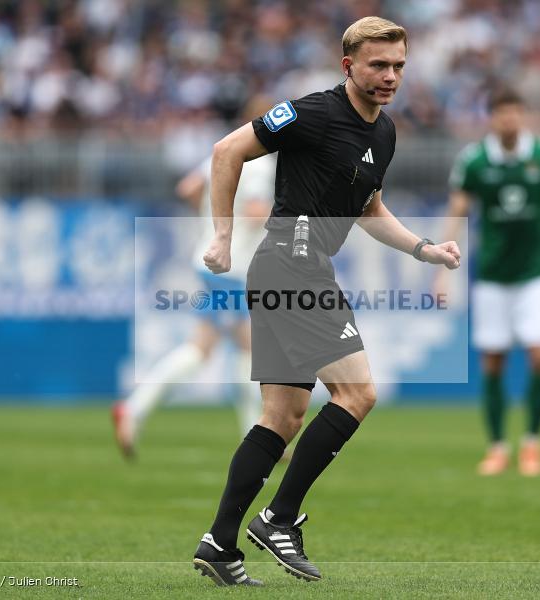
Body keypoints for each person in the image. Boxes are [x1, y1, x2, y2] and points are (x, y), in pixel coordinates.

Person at [190, 16, 461, 587]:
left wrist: (424, 249)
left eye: (399, 67)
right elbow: (226, 151)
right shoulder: (311, 112)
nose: (390, 77)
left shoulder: (384, 133)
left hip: (303, 266)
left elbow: (369, 211)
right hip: (291, 262)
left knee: (283, 416)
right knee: (358, 393)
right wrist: (220, 235)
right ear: (349, 66)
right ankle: (279, 518)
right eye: (378, 65)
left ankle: (219, 542)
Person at [434, 88, 540, 477]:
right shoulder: (474, 161)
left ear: (523, 116)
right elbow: (458, 208)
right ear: (491, 118)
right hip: (492, 275)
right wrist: (440, 265)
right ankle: (496, 446)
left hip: (536, 273)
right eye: (501, 113)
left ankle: (533, 443)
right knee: (493, 361)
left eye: (515, 113)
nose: (509, 120)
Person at [111, 150, 276, 459]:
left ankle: (255, 435)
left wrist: (214, 221)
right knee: (238, 348)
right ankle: (257, 436)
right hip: (233, 265)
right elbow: (256, 212)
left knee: (224, 348)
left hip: (214, 258)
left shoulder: (228, 150)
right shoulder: (260, 164)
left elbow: (188, 188)